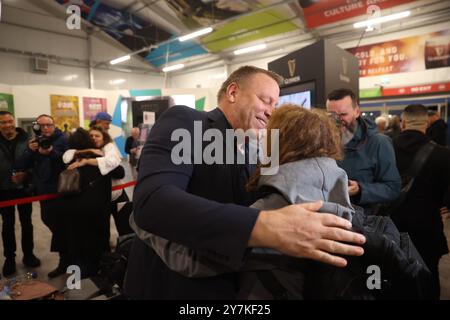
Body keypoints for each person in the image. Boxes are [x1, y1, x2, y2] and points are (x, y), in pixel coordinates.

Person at [124, 66, 366, 299]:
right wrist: (263, 226)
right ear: (232, 92)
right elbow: (153, 201)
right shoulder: (187, 121)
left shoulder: (263, 151)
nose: (272, 111)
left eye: (276, 104)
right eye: (265, 100)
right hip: (169, 286)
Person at [391, 104, 450, 299]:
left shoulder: (387, 148)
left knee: (393, 278)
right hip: (428, 229)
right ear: (426, 124)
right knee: (428, 278)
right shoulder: (443, 154)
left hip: (391, 227)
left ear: (403, 122)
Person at [326, 89, 401, 213]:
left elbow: (393, 188)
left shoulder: (379, 143)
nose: (337, 120)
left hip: (363, 222)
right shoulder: (321, 141)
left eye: (343, 114)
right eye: (332, 115)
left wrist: (360, 189)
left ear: (357, 112)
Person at [62, 128, 123, 278]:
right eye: (92, 136)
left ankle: (81, 273)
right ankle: (97, 271)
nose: (94, 138)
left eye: (98, 135)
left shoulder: (76, 157)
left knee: (80, 240)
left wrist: (90, 158)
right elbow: (119, 171)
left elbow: (119, 171)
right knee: (97, 240)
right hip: (95, 209)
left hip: (78, 207)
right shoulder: (91, 156)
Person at [15, 114, 69, 278]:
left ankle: (66, 261)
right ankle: (67, 258)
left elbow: (66, 160)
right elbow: (20, 165)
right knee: (51, 223)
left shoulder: (63, 140)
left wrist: (51, 151)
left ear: (54, 125)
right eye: (42, 125)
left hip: (62, 191)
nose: (46, 128)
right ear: (37, 127)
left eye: (49, 125)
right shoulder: (34, 142)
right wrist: (30, 151)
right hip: (44, 193)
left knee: (62, 227)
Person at [0, 111, 40, 277]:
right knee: (7, 225)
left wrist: (26, 175)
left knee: (27, 223)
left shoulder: (27, 140)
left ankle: (28, 255)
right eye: (3, 122)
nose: (7, 125)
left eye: (10, 121)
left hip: (24, 189)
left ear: (14, 121)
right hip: (2, 190)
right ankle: (9, 258)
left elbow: (35, 162)